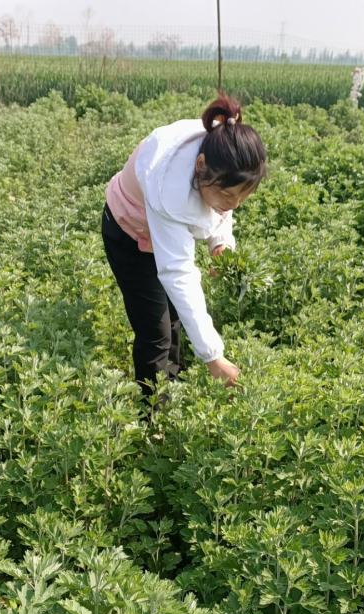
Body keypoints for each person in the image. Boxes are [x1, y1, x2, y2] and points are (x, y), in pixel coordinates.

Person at [101, 93, 267, 409]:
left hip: (160, 231)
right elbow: (178, 274)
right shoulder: (171, 186)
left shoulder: (222, 153)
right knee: (156, 331)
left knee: (174, 316)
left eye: (241, 197)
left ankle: (173, 388)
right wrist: (213, 357)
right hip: (128, 234)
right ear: (200, 166)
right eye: (228, 195)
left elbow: (221, 210)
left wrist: (221, 245)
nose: (234, 205)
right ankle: (156, 416)